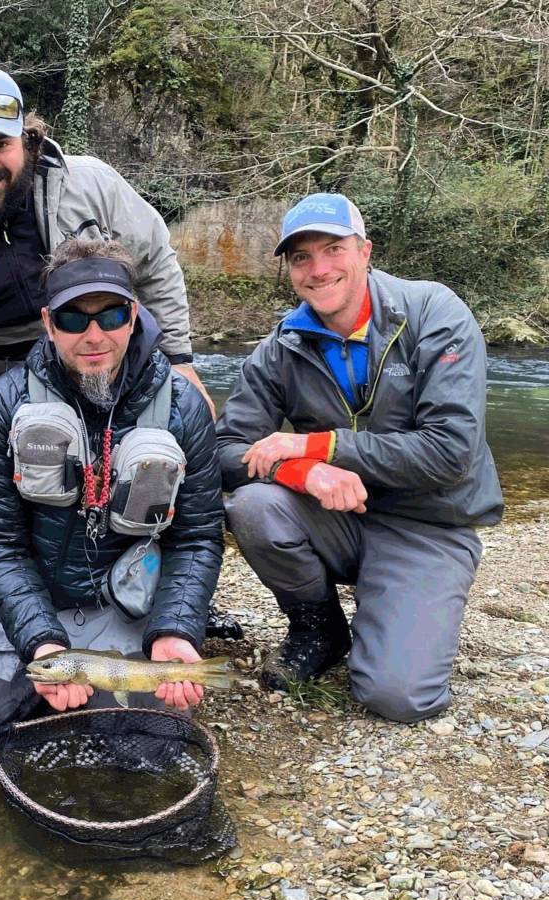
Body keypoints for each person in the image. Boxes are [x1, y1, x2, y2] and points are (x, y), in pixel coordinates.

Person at [0, 63, 235, 651]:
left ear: (29, 141)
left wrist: (180, 357)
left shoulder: (88, 183)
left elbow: (157, 261)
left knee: (149, 461)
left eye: (0, 144)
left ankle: (176, 606)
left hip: (84, 343)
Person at [215, 193, 504, 723]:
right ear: (288, 269)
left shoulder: (433, 312)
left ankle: (399, 602)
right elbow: (224, 450)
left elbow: (451, 452)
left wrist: (319, 445)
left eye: (333, 249)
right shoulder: (280, 347)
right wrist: (301, 470)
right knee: (254, 505)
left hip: (429, 523)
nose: (319, 269)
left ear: (365, 250)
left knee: (397, 699)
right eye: (301, 257)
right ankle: (319, 627)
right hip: (338, 519)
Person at [0, 238, 225, 733]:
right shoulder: (2, 405)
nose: (94, 335)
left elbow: (196, 538)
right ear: (49, 324)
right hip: (27, 593)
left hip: (125, 598)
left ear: (134, 316)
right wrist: (40, 641)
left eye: (111, 316)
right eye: (74, 319)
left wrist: (176, 628)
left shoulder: (185, 408)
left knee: (151, 746)